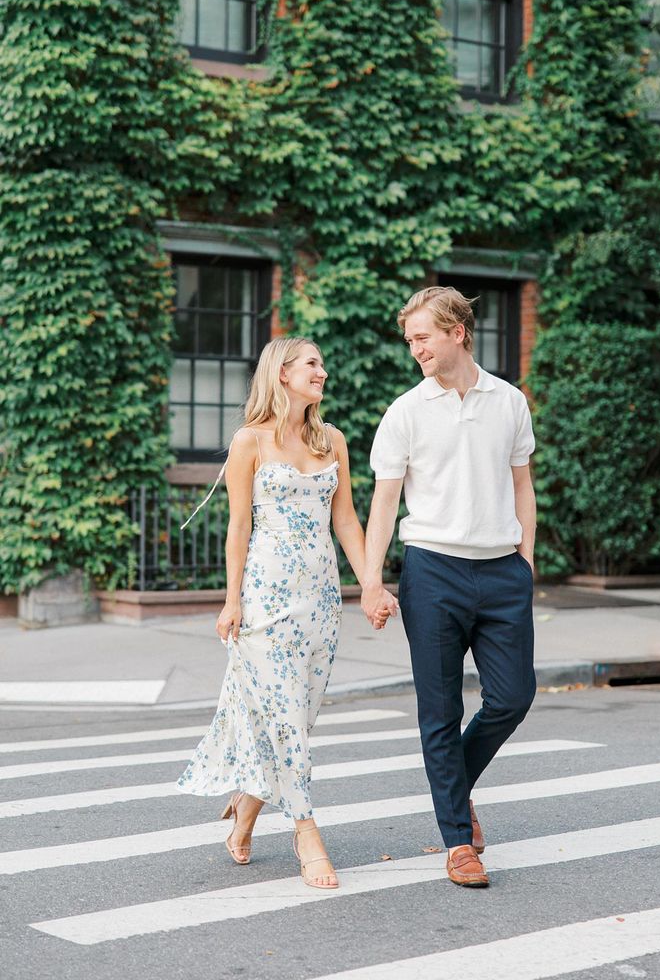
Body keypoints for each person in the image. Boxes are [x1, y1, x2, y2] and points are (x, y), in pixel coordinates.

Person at [178, 336, 396, 889]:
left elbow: (346, 521)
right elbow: (238, 528)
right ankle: (307, 834)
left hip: (320, 603)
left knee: (292, 720)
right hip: (266, 602)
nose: (322, 371)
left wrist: (370, 583)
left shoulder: (334, 442)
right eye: (312, 364)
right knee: (287, 722)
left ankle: (244, 814)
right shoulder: (249, 441)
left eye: (322, 362)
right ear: (282, 374)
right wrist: (231, 601)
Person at [361, 287, 537, 888]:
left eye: (423, 337)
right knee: (439, 711)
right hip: (431, 570)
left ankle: (452, 788)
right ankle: (458, 842)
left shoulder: (509, 401)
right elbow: (383, 505)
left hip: (501, 570)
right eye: (409, 340)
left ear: (457, 332)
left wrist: (527, 562)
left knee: (513, 698)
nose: (415, 350)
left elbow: (522, 485)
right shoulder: (405, 412)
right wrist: (370, 580)